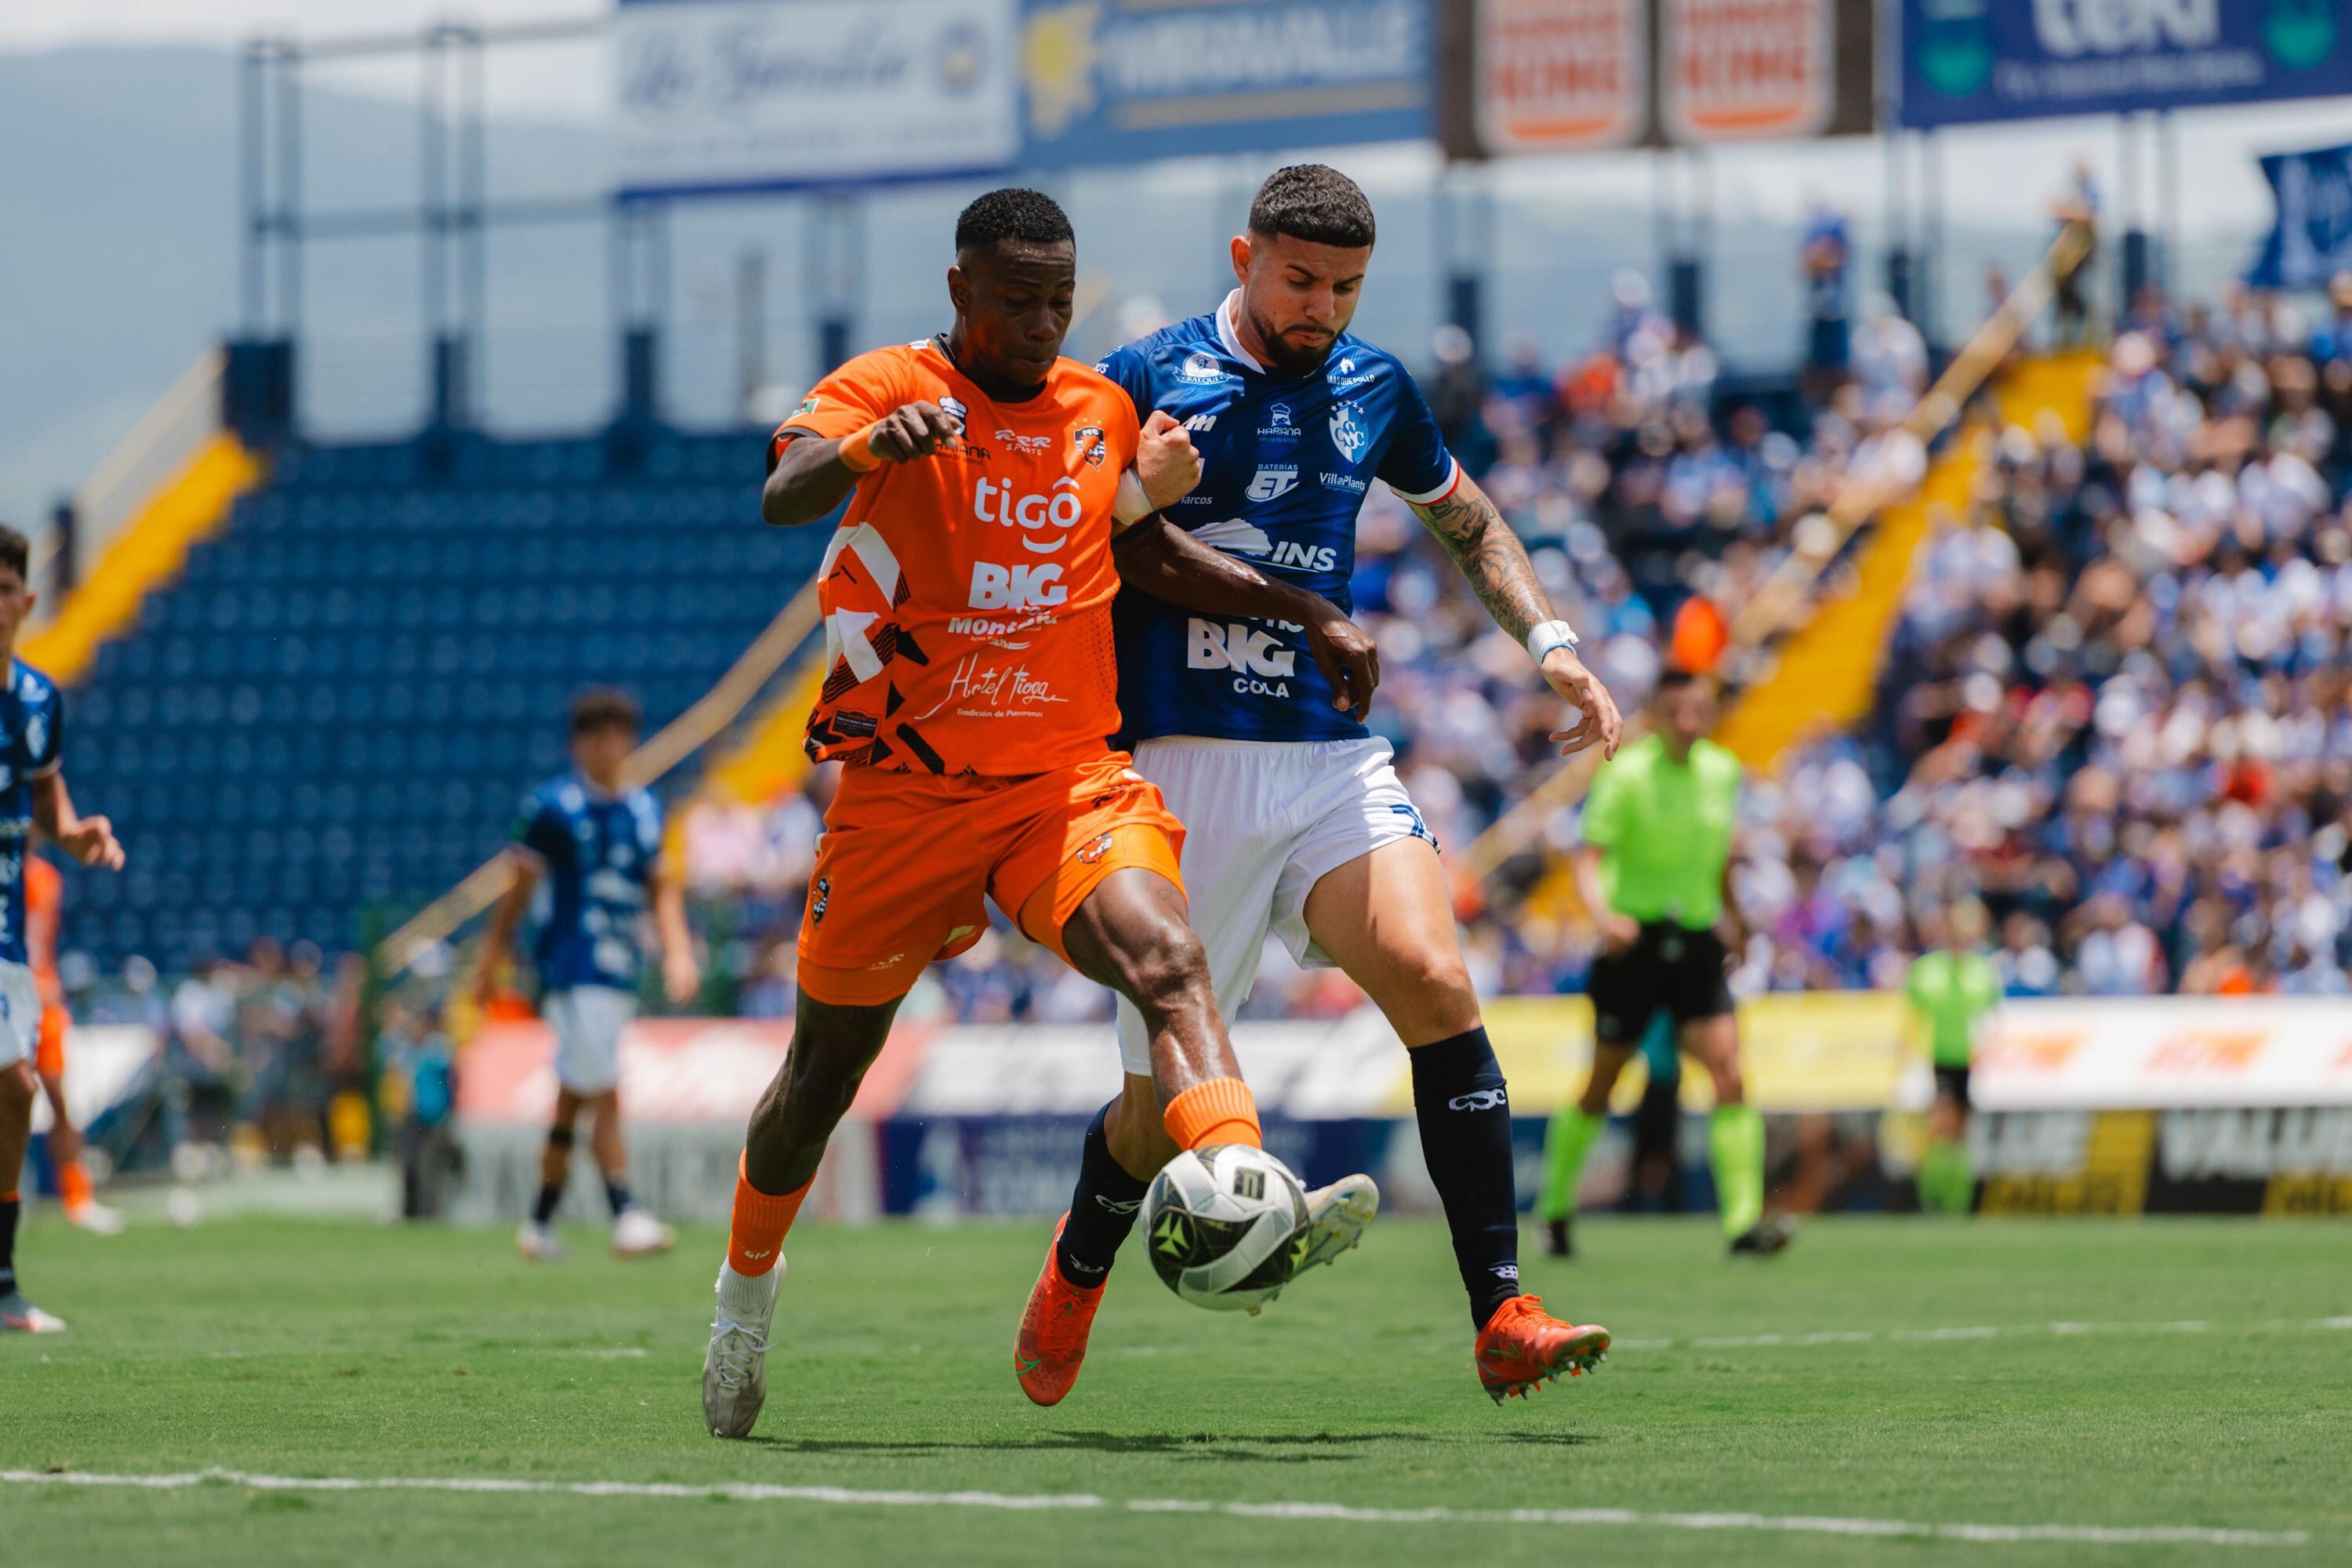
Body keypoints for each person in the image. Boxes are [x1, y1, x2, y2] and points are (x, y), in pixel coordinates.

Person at [702, 188, 1391, 1441]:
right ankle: (747, 1290)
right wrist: (869, 451)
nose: (1039, 326)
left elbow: (1150, 558)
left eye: (1059, 305)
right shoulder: (885, 386)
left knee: (1169, 962)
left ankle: (1242, 1189)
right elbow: (784, 491)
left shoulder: (1098, 408)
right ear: (961, 290)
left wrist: (1306, 611)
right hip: (903, 794)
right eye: (1015, 302)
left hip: (1060, 785)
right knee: (820, 1077)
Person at [1020, 164, 1623, 1409]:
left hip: (1327, 754)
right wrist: (1176, 515)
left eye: (1346, 287)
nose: (1323, 309)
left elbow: (1468, 517)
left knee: (1435, 972)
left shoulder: (1374, 385)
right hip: (1177, 768)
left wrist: (1552, 644)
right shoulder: (1143, 379)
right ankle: (1079, 1267)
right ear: (1244, 259)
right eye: (1300, 281)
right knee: (1148, 1120)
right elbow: (1103, 541)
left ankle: (1502, 1310)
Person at [1537, 670, 1790, 1259]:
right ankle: (1554, 1211)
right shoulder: (1625, 772)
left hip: (1696, 941)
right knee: (1601, 1086)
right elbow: (1587, 858)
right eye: (1676, 711)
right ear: (1656, 714)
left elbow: (1720, 855)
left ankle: (1743, 1222)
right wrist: (1603, 918)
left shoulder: (1722, 772)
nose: (1688, 722)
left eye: (1697, 710)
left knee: (1729, 1074)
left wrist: (1739, 923)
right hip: (1633, 945)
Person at [470, 688, 699, 1263]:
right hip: (571, 968)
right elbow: (516, 892)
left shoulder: (646, 811)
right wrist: (489, 959)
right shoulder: (551, 809)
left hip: (619, 970)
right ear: (577, 746)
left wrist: (677, 952)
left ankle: (539, 1223)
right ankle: (627, 1214)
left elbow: (660, 889)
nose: (607, 748)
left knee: (574, 1098)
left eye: (617, 736)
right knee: (607, 1090)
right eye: (596, 737)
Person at [0, 523, 127, 1334]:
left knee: (17, 1102)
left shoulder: (40, 700)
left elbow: (49, 807)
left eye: (3, 590)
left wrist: (79, 835)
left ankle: (4, 1279)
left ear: (27, 599)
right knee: (13, 1089)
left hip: (6, 931)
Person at [24, 853, 122, 1233]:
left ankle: (77, 1197)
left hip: (44, 1003)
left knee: (60, 1102)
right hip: (9, 999)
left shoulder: (46, 877)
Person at [1905, 899, 1999, 1216]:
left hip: (1968, 1060)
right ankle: (1933, 1194)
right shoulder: (1927, 970)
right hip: (1935, 1057)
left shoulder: (1982, 970)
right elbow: (1912, 1013)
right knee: (1940, 1126)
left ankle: (1958, 1198)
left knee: (1962, 1131)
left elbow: (1991, 1015)